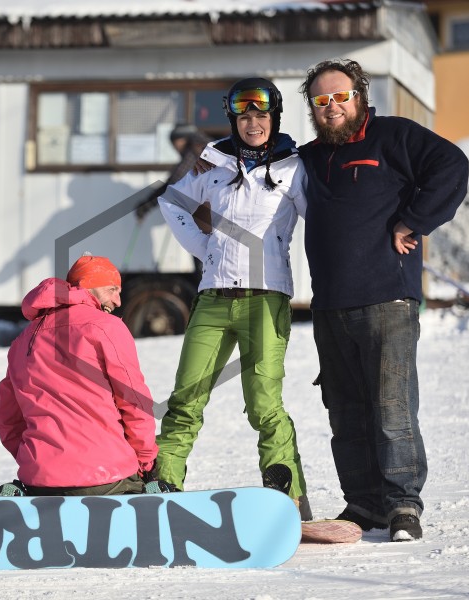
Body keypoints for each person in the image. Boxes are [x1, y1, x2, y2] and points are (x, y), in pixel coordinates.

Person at [297, 59, 469, 541]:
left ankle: (402, 506)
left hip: (387, 300)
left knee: (392, 407)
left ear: (360, 97)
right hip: (330, 304)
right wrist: (207, 161)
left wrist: (413, 220)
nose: (332, 107)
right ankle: (363, 503)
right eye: (321, 100)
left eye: (341, 96)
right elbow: (254, 162)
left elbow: (452, 165)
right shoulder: (310, 157)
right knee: (345, 410)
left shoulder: (394, 137)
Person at [153, 77, 313, 520]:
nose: (253, 123)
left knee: (264, 404)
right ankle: (160, 487)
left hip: (267, 298)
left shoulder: (294, 168)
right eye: (244, 116)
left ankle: (288, 499)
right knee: (185, 399)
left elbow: (322, 219)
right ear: (233, 119)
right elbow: (172, 202)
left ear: (274, 117)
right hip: (213, 298)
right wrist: (204, 247)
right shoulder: (214, 162)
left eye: (261, 115)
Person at [0, 254, 160, 496]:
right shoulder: (107, 327)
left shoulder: (22, 341)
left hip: (39, 482)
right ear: (87, 287)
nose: (118, 300)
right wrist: (146, 463)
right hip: (107, 480)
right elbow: (134, 403)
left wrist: (36, 459)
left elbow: (8, 419)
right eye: (112, 289)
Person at [135, 123, 213, 221]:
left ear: (181, 140)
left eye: (174, 144)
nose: (175, 148)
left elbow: (174, 182)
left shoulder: (194, 150)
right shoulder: (207, 146)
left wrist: (147, 205)